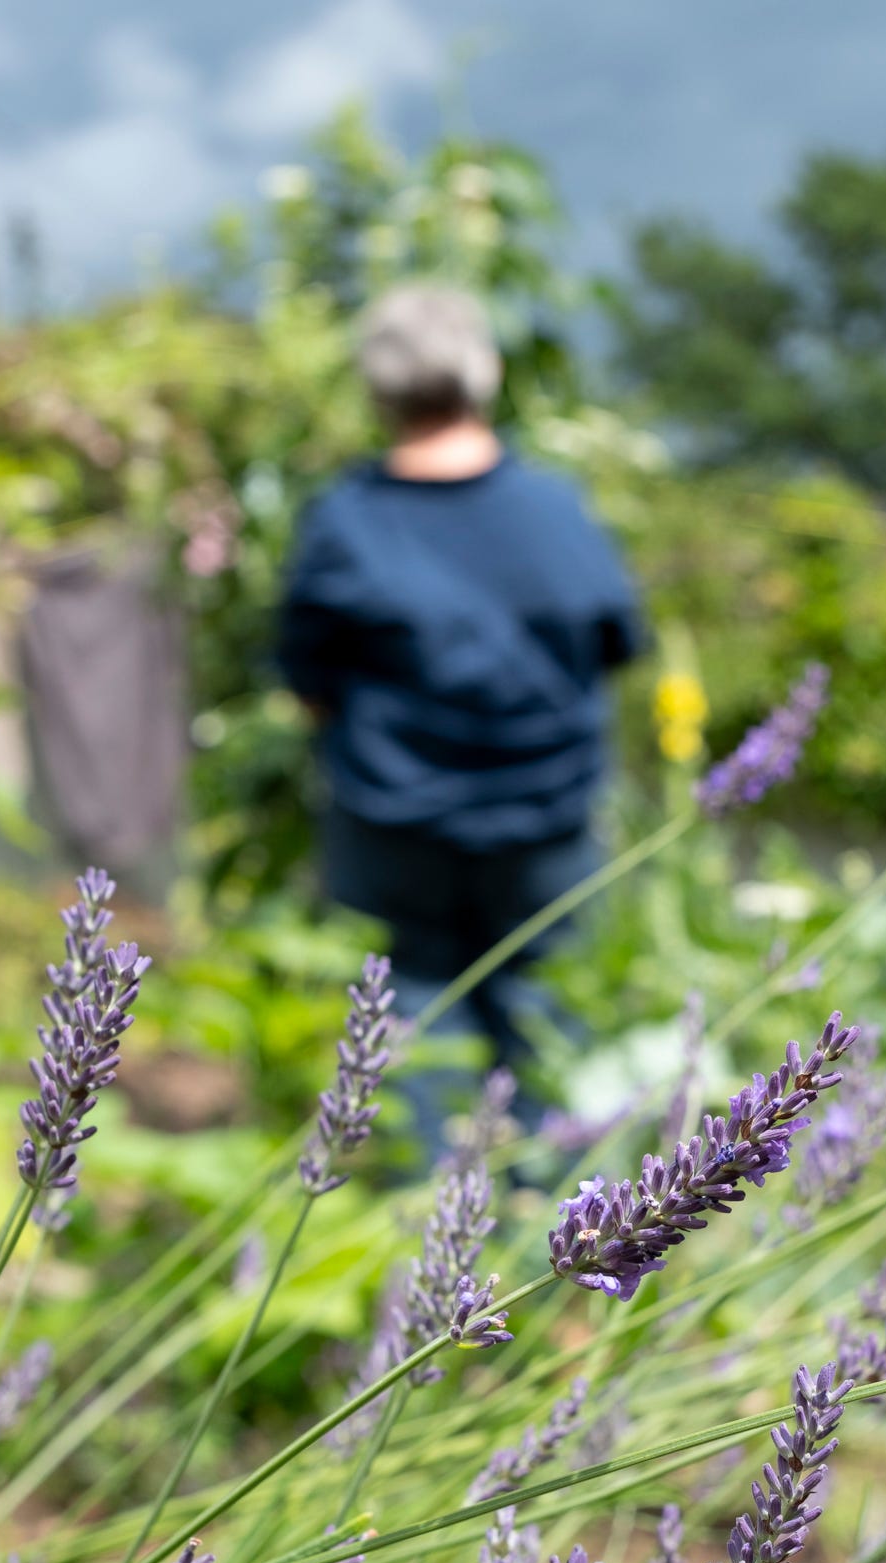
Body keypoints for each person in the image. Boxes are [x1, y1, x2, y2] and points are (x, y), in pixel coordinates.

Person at [278, 281, 645, 1148]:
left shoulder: (347, 521)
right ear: (486, 375)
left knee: (414, 1017)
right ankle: (564, 1246)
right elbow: (619, 642)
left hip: (395, 821)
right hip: (545, 820)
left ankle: (429, 1251)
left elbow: (304, 675)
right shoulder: (555, 509)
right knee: (546, 1020)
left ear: (376, 388)